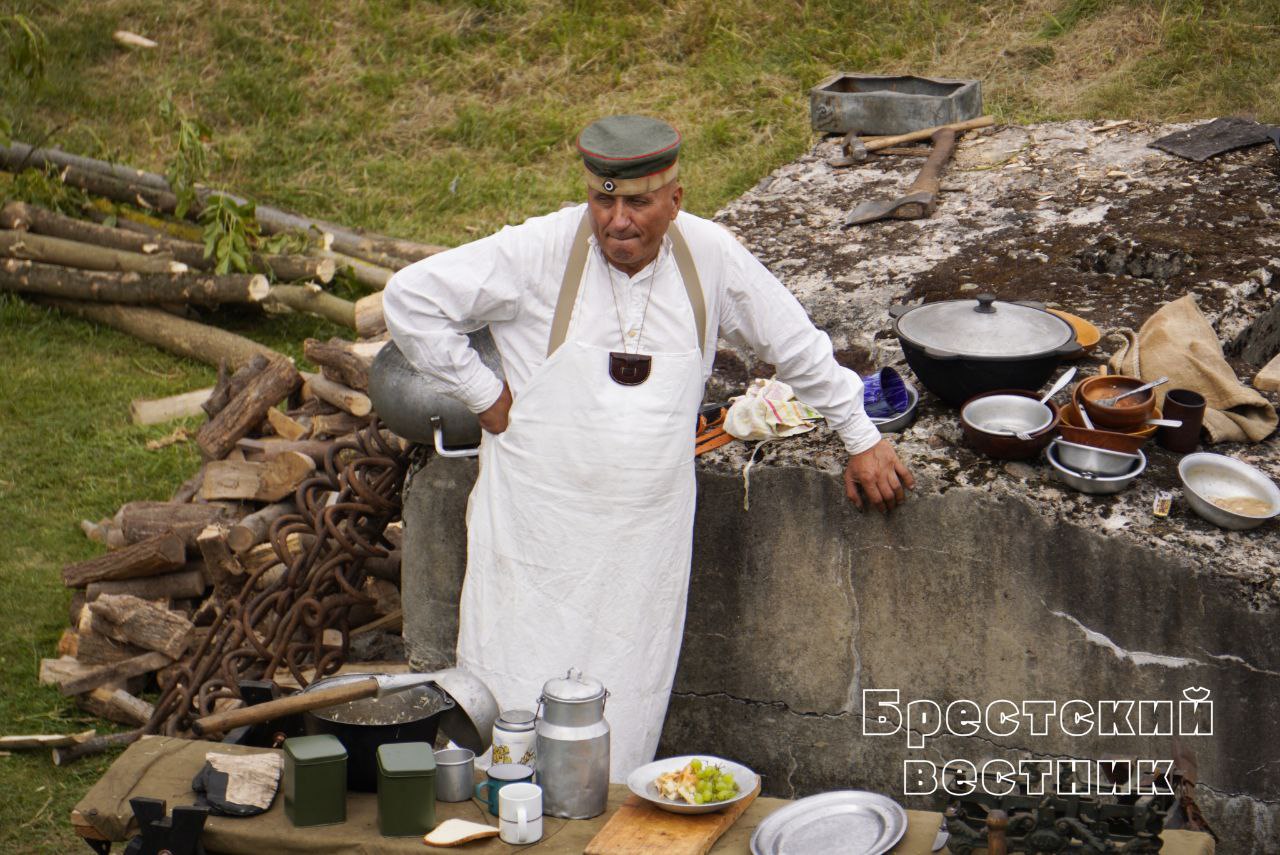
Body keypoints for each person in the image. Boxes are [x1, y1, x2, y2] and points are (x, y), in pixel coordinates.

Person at [383, 115, 913, 780]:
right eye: (603, 201)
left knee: (615, 738)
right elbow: (410, 299)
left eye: (637, 203)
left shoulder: (711, 257)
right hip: (531, 551)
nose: (618, 221)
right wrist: (482, 391)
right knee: (509, 732)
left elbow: (795, 344)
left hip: (642, 557)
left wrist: (860, 434)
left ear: (675, 200)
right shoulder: (537, 252)